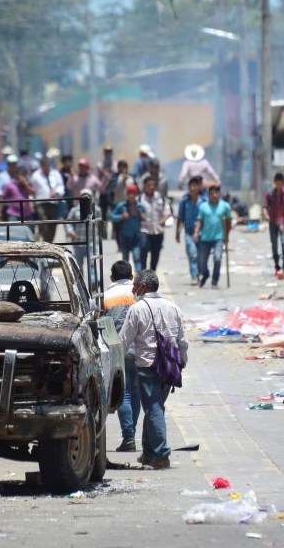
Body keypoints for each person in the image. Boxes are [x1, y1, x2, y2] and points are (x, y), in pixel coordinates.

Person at [118, 270, 189, 469]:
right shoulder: (173, 308)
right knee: (155, 408)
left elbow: (124, 340)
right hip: (169, 367)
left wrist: (116, 360)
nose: (133, 289)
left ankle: (161, 454)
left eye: (135, 285)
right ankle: (148, 453)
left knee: (153, 409)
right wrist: (182, 361)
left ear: (143, 286)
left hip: (147, 366)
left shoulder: (137, 309)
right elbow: (182, 340)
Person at [104, 261, 139, 452]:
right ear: (132, 277)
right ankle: (131, 434)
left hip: (117, 350)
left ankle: (129, 437)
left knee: (123, 394)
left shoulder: (106, 296)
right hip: (140, 351)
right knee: (135, 392)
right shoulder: (138, 295)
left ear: (112, 278)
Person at [194, 184, 232, 288]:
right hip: (205, 238)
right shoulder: (203, 207)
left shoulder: (225, 206)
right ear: (209, 194)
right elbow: (200, 221)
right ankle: (205, 274)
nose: (214, 195)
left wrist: (227, 235)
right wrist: (196, 232)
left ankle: (215, 280)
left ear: (219, 194)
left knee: (218, 258)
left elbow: (228, 222)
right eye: (212, 193)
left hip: (218, 238)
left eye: (216, 193)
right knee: (201, 262)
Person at [65, 189, 101, 285]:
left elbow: (99, 222)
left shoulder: (96, 210)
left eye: (88, 197)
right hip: (78, 241)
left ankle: (93, 283)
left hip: (91, 241)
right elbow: (68, 222)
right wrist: (70, 230)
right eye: (83, 196)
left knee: (92, 264)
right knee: (78, 265)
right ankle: (80, 284)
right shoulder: (74, 210)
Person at [110, 184, 146, 271]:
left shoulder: (140, 207)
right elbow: (112, 216)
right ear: (127, 194)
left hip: (136, 237)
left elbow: (145, 219)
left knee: (137, 257)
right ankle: (125, 278)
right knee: (125, 259)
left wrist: (142, 217)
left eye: (133, 193)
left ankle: (139, 279)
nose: (131, 196)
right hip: (124, 236)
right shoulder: (121, 206)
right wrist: (121, 217)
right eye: (129, 193)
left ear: (136, 194)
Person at [176, 176, 204, 285]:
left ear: (199, 187)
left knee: (201, 256)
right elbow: (180, 217)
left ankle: (199, 272)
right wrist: (177, 233)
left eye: (195, 186)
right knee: (192, 254)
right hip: (189, 233)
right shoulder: (184, 201)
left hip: (203, 233)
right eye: (191, 186)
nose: (193, 188)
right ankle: (194, 276)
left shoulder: (204, 202)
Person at [139, 176, 169, 271]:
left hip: (158, 231)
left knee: (155, 254)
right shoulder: (140, 199)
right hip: (144, 230)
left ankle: (152, 273)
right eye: (149, 185)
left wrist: (164, 219)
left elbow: (167, 211)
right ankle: (143, 272)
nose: (151, 187)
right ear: (145, 186)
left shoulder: (161, 198)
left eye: (153, 185)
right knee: (143, 250)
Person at [263, 173, 284, 278]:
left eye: (280, 183)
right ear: (275, 183)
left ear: (283, 183)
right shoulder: (269, 194)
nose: (279, 185)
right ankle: (277, 266)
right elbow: (265, 206)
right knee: (274, 245)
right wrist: (266, 214)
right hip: (273, 222)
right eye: (277, 183)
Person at [108, 161, 137, 241]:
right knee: (118, 226)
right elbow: (112, 190)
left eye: (125, 167)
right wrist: (121, 180)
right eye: (121, 167)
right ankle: (119, 244)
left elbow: (136, 190)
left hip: (129, 205)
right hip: (118, 205)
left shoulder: (131, 178)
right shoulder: (115, 177)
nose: (123, 169)